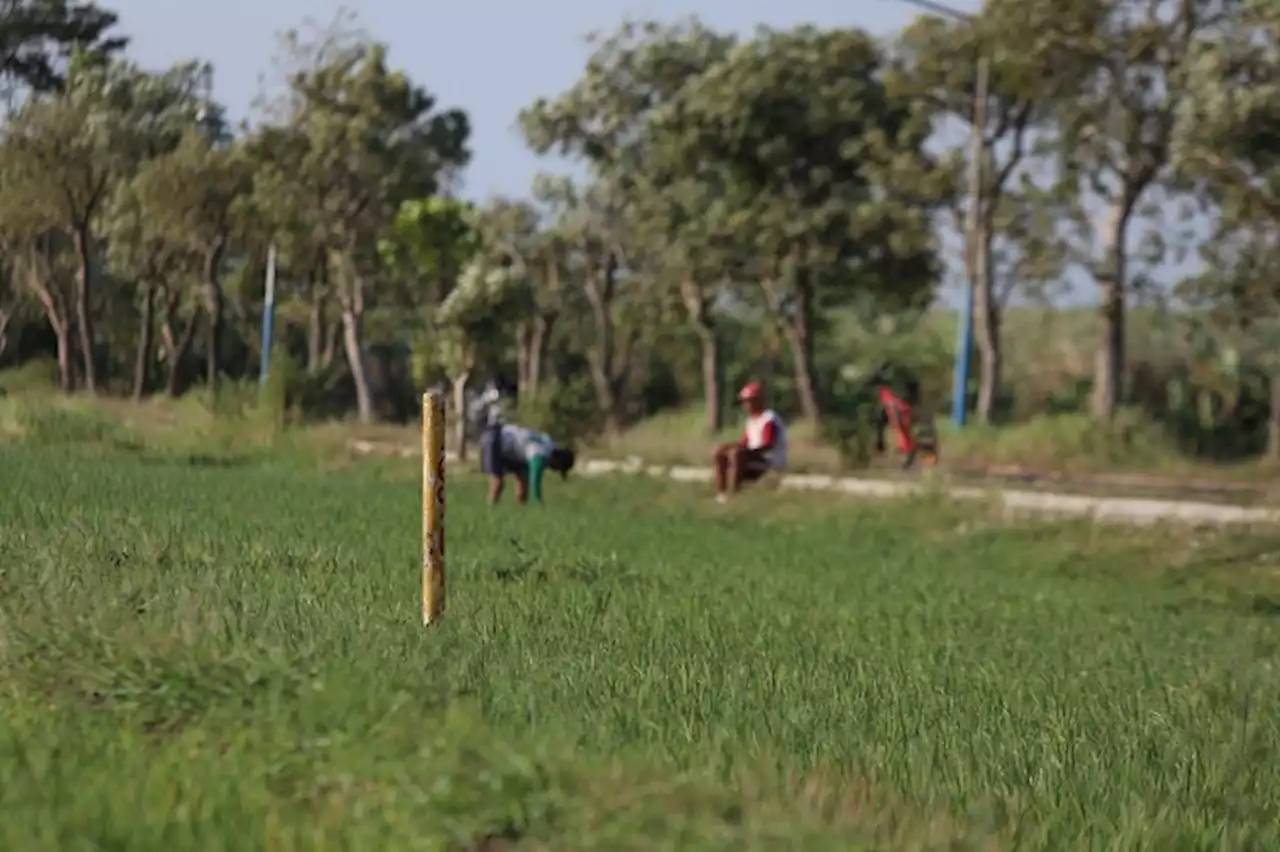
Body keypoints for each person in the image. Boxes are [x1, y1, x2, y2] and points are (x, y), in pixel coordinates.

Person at [712, 381, 788, 502]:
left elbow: (768, 445)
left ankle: (733, 495)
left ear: (758, 401)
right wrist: (728, 447)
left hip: (769, 460)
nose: (745, 405)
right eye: (744, 401)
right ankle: (721, 494)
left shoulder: (769, 419)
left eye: (749, 401)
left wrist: (746, 452)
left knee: (736, 455)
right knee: (720, 452)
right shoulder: (752, 420)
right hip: (756, 456)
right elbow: (744, 442)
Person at [479, 420, 576, 505]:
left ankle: (521, 511)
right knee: (498, 482)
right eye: (557, 468)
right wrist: (538, 502)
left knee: (523, 479)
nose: (553, 470)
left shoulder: (548, 445)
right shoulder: (540, 454)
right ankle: (491, 511)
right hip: (494, 440)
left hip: (513, 448)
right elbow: (535, 480)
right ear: (557, 461)